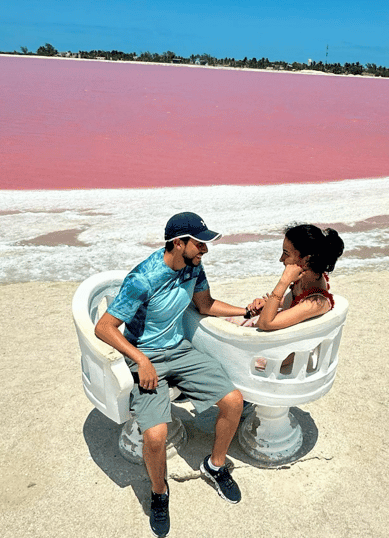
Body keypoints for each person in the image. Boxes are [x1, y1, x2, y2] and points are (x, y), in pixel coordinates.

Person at [94, 212, 247, 538]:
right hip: (145, 360)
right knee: (154, 436)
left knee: (234, 401)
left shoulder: (193, 267)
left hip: (181, 352)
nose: (205, 249)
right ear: (178, 242)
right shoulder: (143, 279)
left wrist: (245, 312)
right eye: (200, 243)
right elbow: (104, 327)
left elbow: (205, 305)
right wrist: (140, 359)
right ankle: (159, 492)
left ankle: (215, 465)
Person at [235, 224, 345, 332]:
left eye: (286, 253)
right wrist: (269, 303)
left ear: (306, 260)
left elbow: (265, 323)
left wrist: (284, 282)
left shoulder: (315, 303)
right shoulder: (309, 278)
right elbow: (295, 302)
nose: (281, 259)